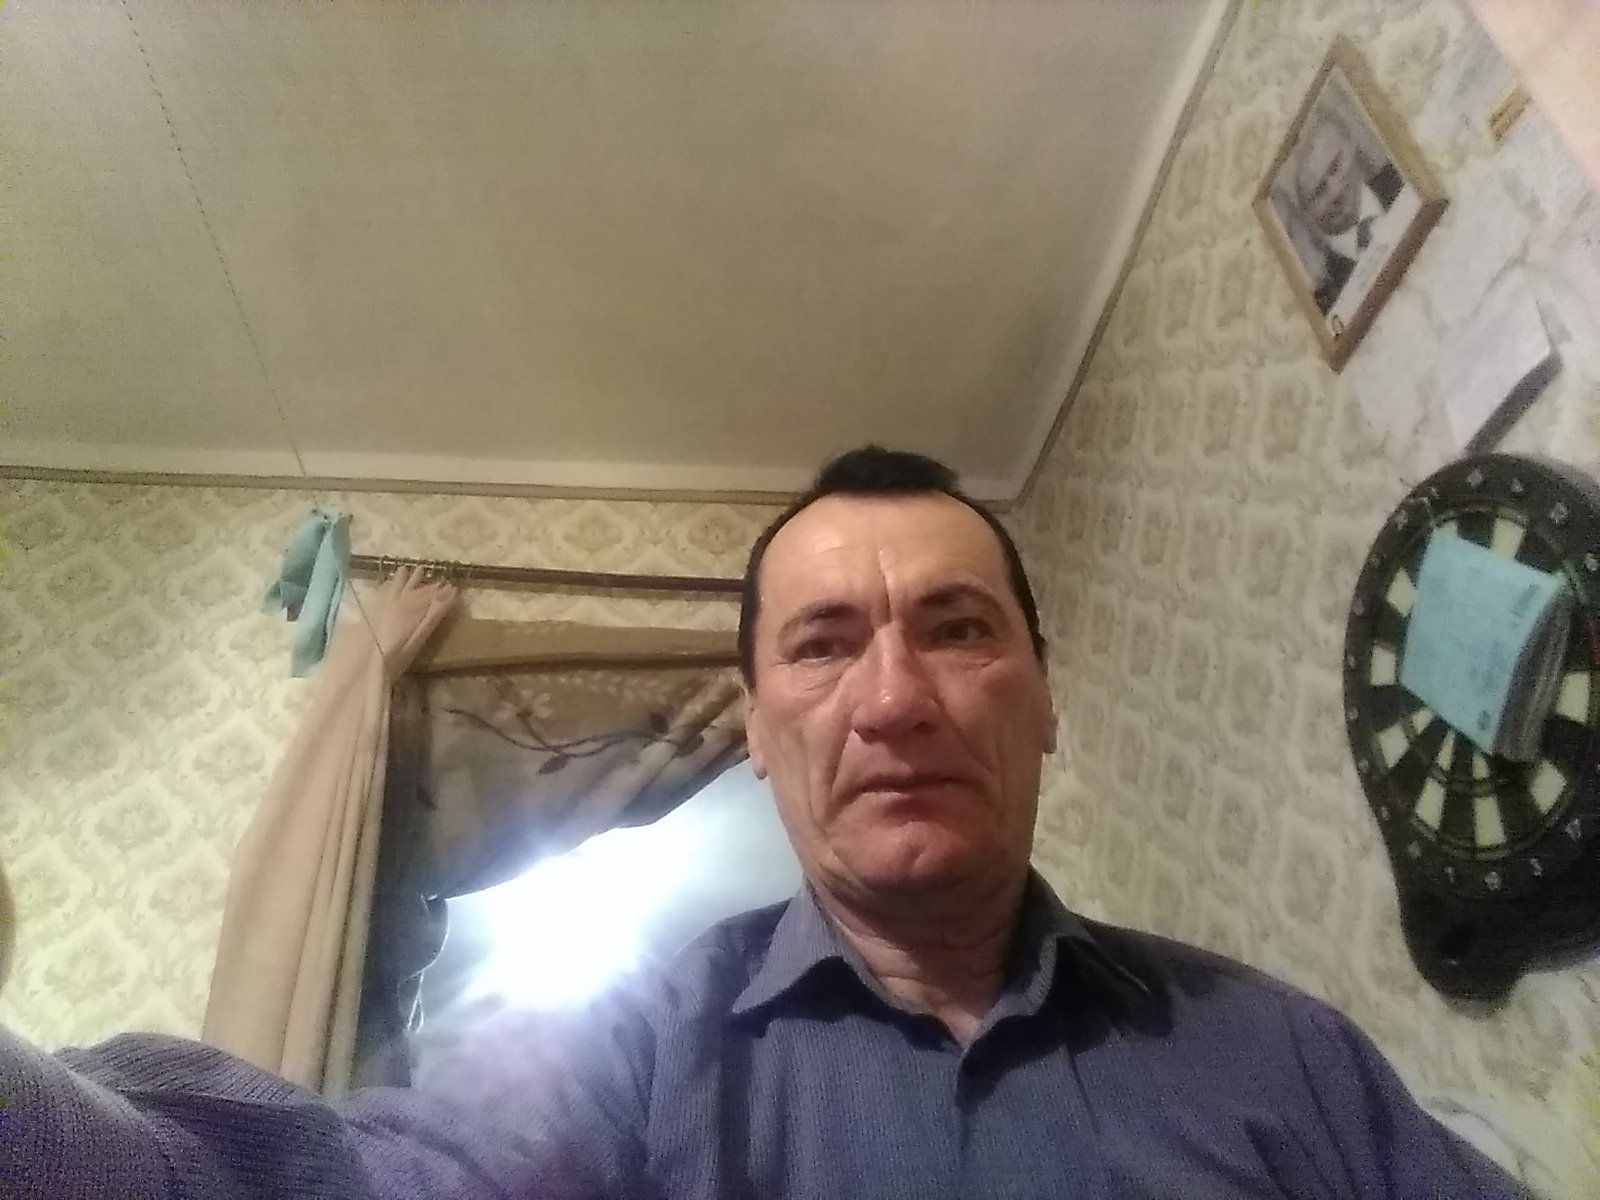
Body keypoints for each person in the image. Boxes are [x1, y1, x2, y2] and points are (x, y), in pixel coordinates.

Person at [0, 447, 1525, 1198]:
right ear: (761, 729)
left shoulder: (1281, 1052)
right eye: (822, 646)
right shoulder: (623, 1045)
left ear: (1045, 697)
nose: (895, 698)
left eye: (956, 630)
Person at [1292, 109, 1406, 314]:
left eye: (1335, 167)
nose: (1335, 191)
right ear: (1307, 214)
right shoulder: (1328, 295)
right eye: (1319, 191)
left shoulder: (1407, 179)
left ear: (1351, 147)